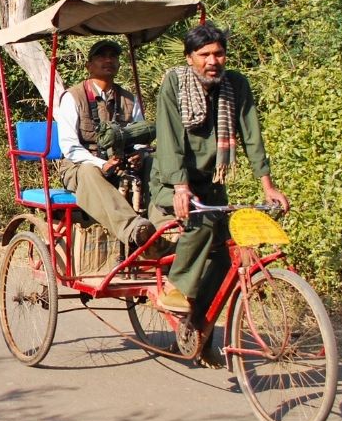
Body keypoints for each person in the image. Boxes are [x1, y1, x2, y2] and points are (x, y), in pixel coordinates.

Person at [149, 23, 290, 315]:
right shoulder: (174, 83)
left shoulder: (235, 84)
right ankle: (174, 287)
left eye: (219, 54)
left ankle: (201, 325)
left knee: (226, 253)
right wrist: (179, 186)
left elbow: (252, 135)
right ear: (189, 57)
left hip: (212, 184)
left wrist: (268, 185)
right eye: (204, 55)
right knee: (206, 223)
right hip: (171, 183)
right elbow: (169, 137)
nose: (212, 62)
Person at [57, 40, 157, 252]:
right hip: (80, 166)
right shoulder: (73, 97)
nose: (109, 60)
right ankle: (134, 229)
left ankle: (164, 226)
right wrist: (101, 164)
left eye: (113, 56)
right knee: (89, 171)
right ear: (89, 66)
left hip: (121, 163)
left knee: (154, 162)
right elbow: (70, 147)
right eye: (102, 56)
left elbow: (140, 137)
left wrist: (138, 153)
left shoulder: (129, 99)